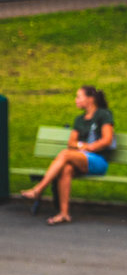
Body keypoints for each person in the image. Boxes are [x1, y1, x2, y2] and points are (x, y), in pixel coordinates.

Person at [19, 86, 115, 225]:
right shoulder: (79, 120)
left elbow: (107, 140)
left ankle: (38, 190)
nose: (76, 100)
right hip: (80, 158)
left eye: (78, 96)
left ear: (90, 99)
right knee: (66, 169)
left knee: (65, 154)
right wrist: (82, 147)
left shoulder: (103, 115)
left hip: (98, 161)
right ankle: (64, 214)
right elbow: (71, 143)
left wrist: (86, 146)